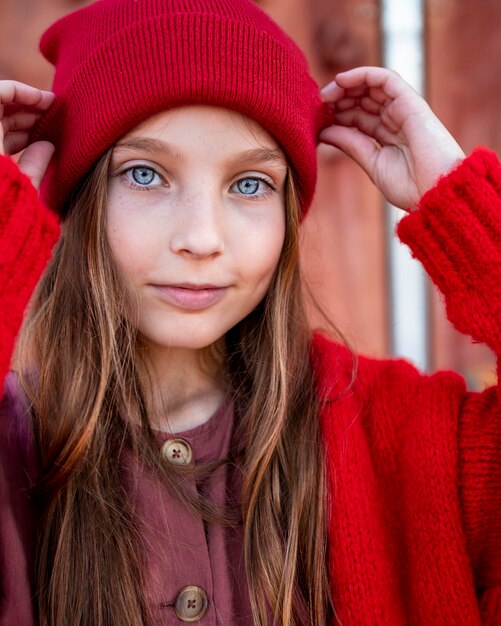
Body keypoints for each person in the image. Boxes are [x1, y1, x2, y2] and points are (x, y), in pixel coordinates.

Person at [0, 0, 499, 624]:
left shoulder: (406, 437)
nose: (202, 238)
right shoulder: (13, 455)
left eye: (249, 184)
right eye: (146, 175)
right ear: (78, 197)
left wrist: (465, 206)